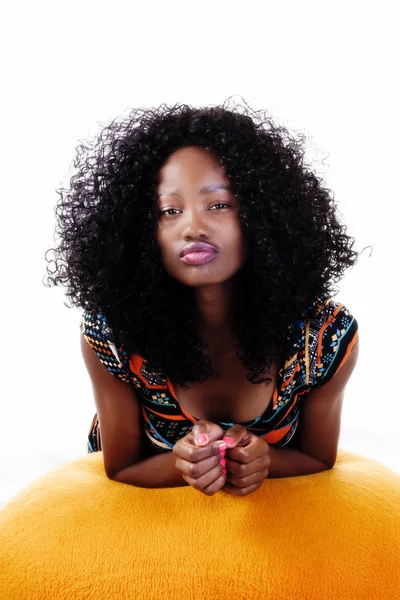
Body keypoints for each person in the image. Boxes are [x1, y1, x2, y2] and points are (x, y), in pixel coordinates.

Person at [45, 99, 360, 497]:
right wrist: (184, 464)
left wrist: (264, 461)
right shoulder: (112, 332)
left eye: (219, 204)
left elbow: (317, 458)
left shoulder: (324, 336)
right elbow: (121, 465)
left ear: (263, 214)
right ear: (142, 231)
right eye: (169, 210)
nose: (193, 227)